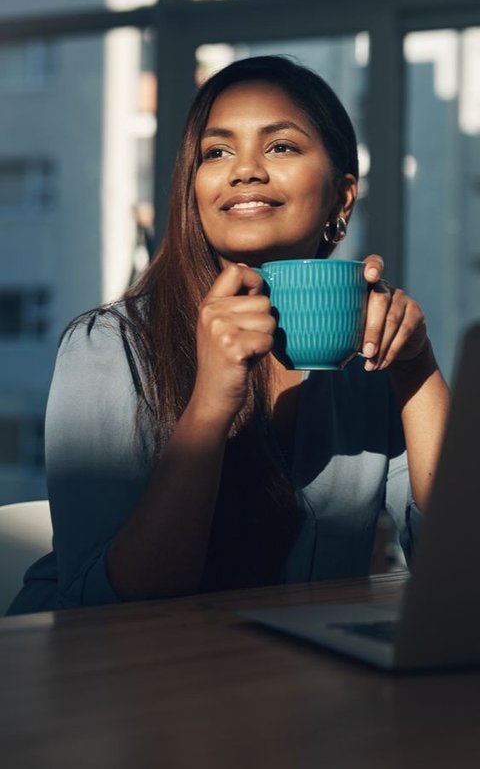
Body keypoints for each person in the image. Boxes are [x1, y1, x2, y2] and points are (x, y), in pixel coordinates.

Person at [8, 55, 450, 614]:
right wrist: (211, 404)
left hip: (292, 678)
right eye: (216, 152)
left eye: (280, 146)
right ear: (193, 188)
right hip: (105, 677)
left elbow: (456, 558)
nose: (244, 170)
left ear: (342, 196)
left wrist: (416, 367)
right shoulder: (108, 346)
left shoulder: (368, 358)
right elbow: (116, 599)